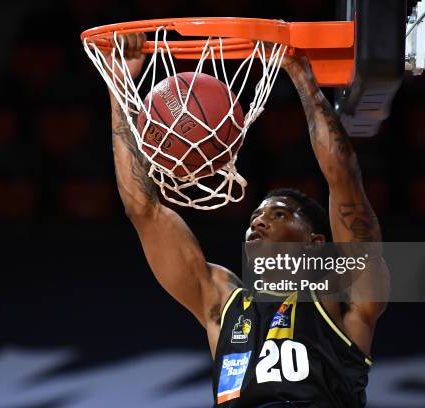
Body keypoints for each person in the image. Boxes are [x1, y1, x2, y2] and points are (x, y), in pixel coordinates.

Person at [104, 33, 390, 408]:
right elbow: (144, 211)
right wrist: (119, 85)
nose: (258, 223)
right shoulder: (223, 301)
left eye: (279, 214)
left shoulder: (341, 298)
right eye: (255, 216)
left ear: (316, 244)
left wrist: (300, 73)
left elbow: (344, 178)